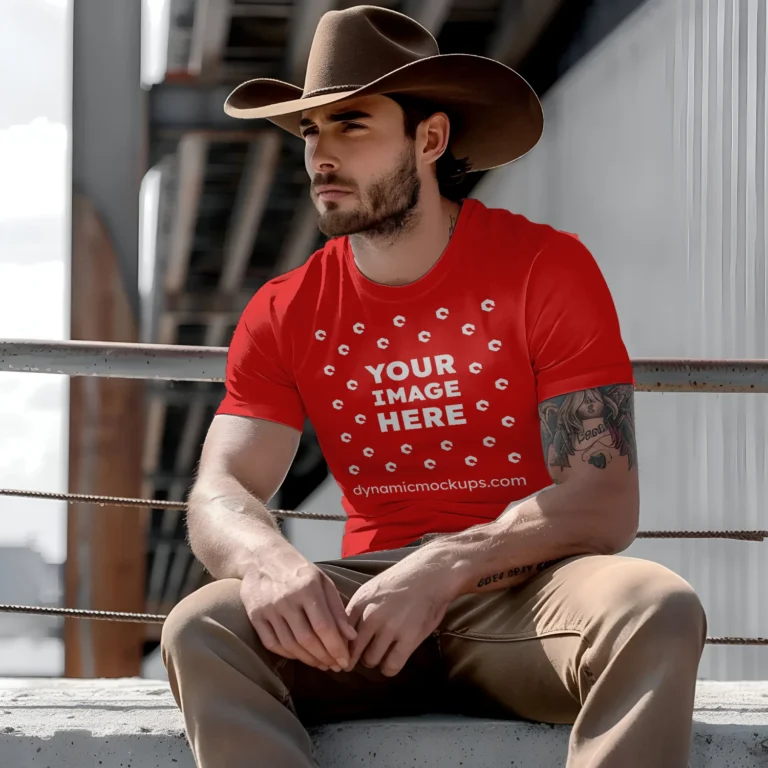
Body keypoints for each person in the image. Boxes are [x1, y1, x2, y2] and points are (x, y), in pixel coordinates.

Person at [161, 6, 706, 767]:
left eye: (351, 125)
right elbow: (221, 487)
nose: (320, 153)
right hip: (363, 620)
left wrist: (447, 563)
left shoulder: (542, 269)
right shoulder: (285, 309)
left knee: (658, 608)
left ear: (430, 139)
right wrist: (267, 560)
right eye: (310, 131)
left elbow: (603, 501)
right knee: (203, 627)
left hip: (525, 603)